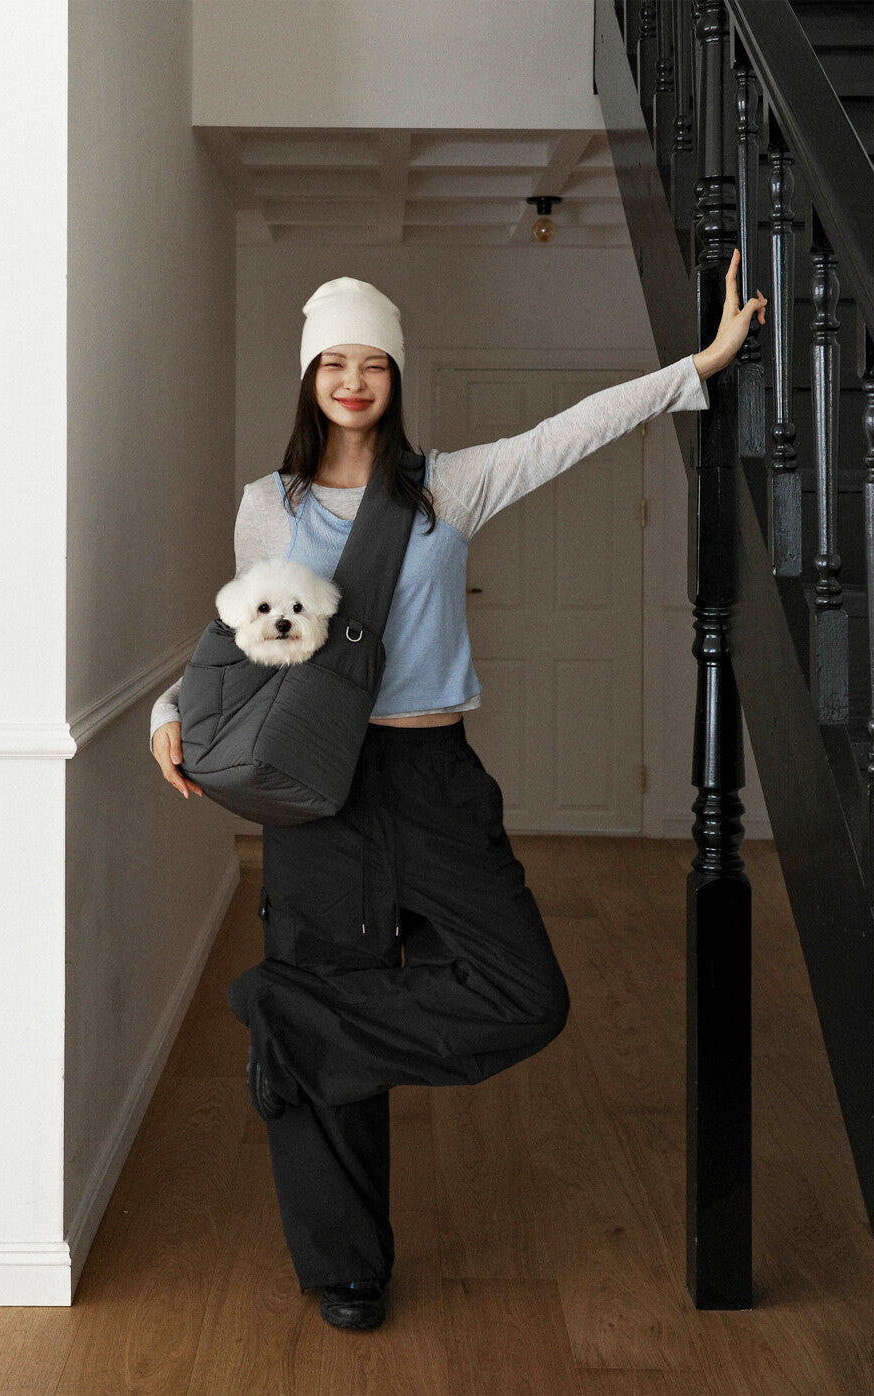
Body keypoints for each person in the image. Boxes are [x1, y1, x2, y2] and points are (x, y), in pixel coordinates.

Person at [150, 257, 766, 1331]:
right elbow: (241, 630)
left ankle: (291, 1019)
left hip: (433, 777)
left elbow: (569, 433)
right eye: (333, 363)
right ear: (308, 379)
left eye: (372, 363)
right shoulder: (268, 505)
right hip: (318, 789)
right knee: (331, 984)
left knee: (526, 993)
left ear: (396, 376)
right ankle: (347, 1265)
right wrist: (170, 708)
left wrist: (698, 368)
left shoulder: (446, 487)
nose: (352, 380)